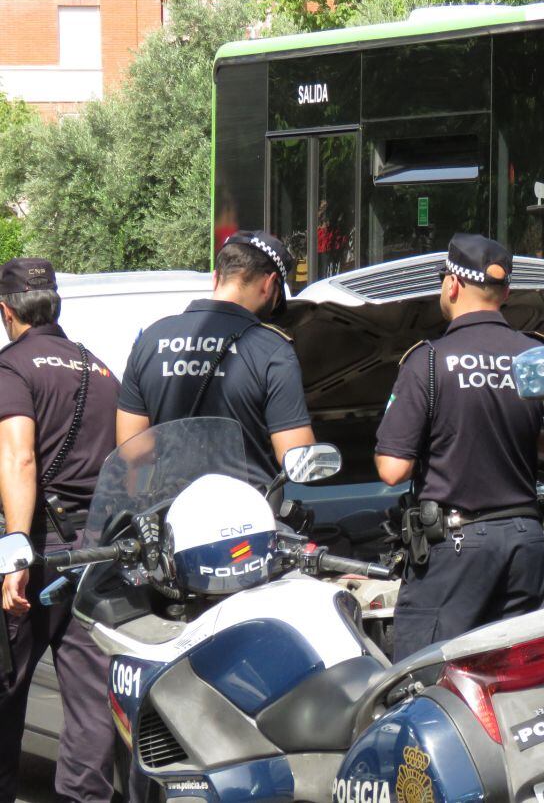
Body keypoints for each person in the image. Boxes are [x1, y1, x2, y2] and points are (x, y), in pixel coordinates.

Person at [375, 234, 544, 661]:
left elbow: (393, 469)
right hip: (525, 545)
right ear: (505, 293)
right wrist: (533, 444)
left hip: (456, 551)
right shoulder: (534, 355)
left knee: (428, 681)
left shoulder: (427, 361)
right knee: (523, 681)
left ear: (451, 286)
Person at [0, 258, 119, 803]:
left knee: (6, 686)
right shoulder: (101, 371)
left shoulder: (13, 367)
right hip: (97, 551)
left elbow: (19, 459)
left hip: (37, 550)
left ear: (6, 311)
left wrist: (16, 554)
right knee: (91, 696)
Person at [116, 231, 314, 485]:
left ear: (216, 277)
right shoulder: (273, 350)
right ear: (269, 284)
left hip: (171, 510)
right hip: (248, 514)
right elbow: (296, 456)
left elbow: (132, 449)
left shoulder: (151, 340)